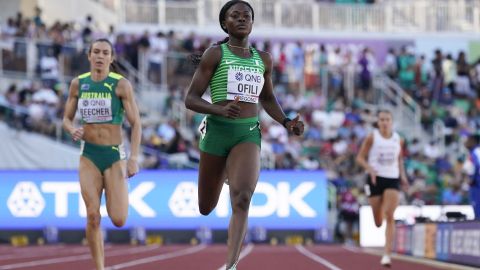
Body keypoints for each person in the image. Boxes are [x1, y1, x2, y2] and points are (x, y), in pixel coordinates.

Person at [184, 1, 304, 269]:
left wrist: (286, 121)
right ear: (224, 23)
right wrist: (219, 109)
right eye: (234, 16)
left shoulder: (264, 59)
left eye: (246, 16)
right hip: (217, 132)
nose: (241, 19)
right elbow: (190, 99)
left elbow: (269, 99)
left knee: (242, 198)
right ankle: (226, 171)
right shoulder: (215, 54)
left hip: (247, 133)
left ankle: (231, 265)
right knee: (206, 206)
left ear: (252, 22)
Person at [62, 38, 141, 270]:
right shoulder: (78, 84)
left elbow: (136, 123)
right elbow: (66, 118)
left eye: (105, 52)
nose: (100, 56)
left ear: (111, 58)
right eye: (96, 52)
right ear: (89, 56)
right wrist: (71, 129)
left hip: (115, 156)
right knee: (93, 216)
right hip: (89, 156)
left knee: (118, 219)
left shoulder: (121, 85)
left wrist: (134, 157)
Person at [356, 109, 408, 267]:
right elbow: (359, 157)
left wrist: (403, 176)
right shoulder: (372, 137)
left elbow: (399, 159)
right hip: (375, 179)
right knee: (378, 221)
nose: (384, 122)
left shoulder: (398, 139)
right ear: (378, 122)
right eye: (382, 120)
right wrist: (370, 169)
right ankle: (381, 213)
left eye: (387, 119)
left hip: (392, 178)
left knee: (390, 215)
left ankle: (387, 255)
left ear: (392, 122)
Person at [464, 134, 480, 220]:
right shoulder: (473, 152)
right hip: (476, 183)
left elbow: (477, 166)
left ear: (473, 141)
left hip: (477, 183)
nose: (465, 143)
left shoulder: (476, 151)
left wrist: (471, 179)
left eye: (467, 140)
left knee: (477, 205)